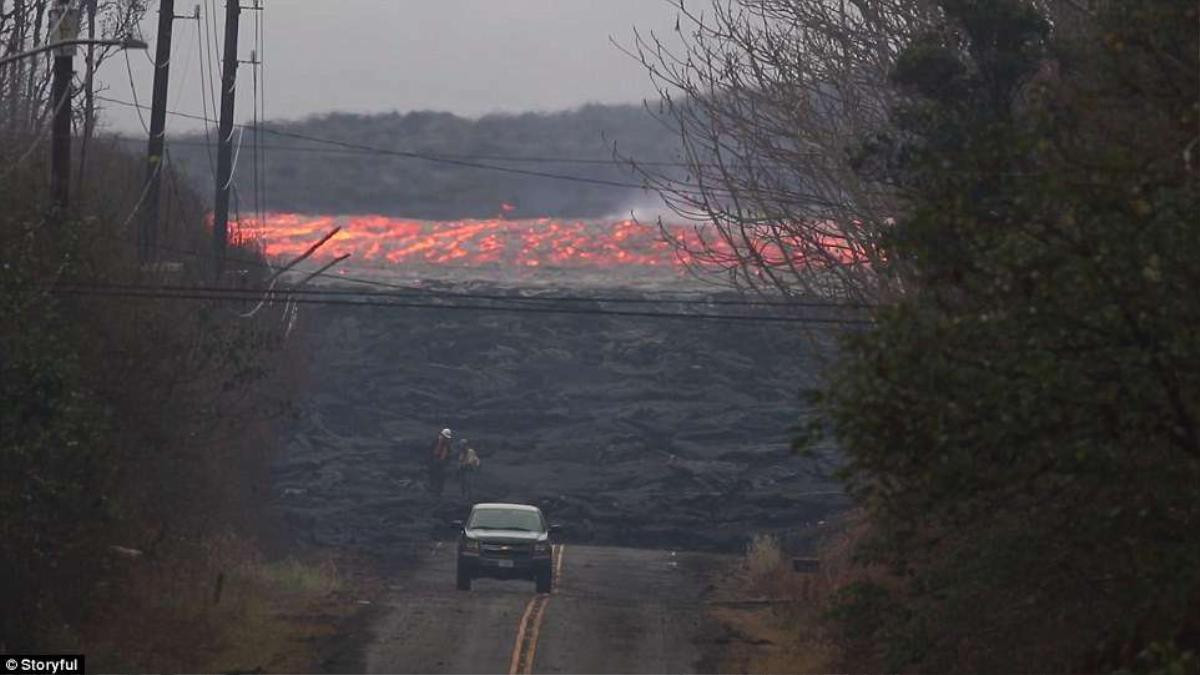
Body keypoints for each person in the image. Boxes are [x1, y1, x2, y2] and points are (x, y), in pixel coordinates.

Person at [429, 427, 453, 497]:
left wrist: (447, 463)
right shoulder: (435, 442)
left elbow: (449, 454)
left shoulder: (447, 445)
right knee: (434, 476)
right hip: (434, 462)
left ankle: (439, 492)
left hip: (442, 464)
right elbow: (430, 452)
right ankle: (433, 491)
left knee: (441, 478)